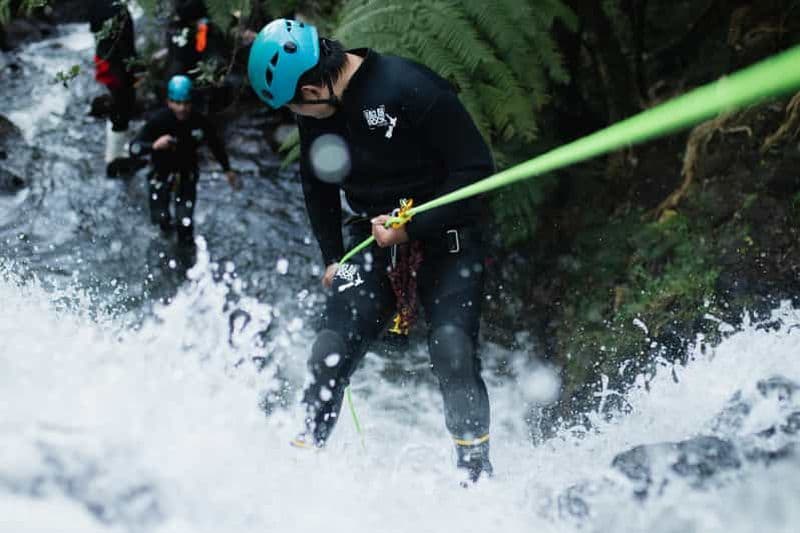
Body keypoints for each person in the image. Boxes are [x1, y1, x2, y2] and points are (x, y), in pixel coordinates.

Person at [248, 19, 495, 483]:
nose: (295, 116)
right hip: (372, 239)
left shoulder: (411, 88)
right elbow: (315, 180)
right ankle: (302, 461)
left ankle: (475, 477)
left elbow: (477, 174)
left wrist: (412, 226)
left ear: (313, 86)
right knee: (328, 351)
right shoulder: (314, 111)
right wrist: (331, 256)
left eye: (295, 105)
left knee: (452, 349)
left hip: (447, 235)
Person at [129, 75, 239, 247]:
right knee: (161, 219)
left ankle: (186, 257)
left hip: (187, 174)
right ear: (168, 102)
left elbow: (215, 144)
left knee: (185, 222)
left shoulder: (199, 121)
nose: (182, 108)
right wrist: (154, 145)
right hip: (161, 174)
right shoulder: (158, 121)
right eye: (177, 103)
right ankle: (164, 252)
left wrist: (227, 170)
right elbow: (134, 148)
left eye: (186, 103)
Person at [88, 0, 137, 176]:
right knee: (122, 106)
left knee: (122, 105)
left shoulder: (104, 6)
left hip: (112, 61)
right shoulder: (111, 8)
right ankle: (114, 158)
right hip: (115, 65)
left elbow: (94, 28)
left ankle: (117, 154)